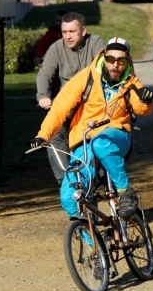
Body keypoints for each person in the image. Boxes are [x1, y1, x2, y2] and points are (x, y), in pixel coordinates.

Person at [30, 37, 153, 219]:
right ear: (104, 57)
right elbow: (59, 109)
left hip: (117, 135)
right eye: (111, 59)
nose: (115, 65)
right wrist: (43, 136)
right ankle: (94, 245)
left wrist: (146, 100)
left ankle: (126, 191)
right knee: (68, 197)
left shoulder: (131, 82)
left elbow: (141, 109)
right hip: (85, 140)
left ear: (128, 61)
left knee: (101, 143)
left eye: (121, 60)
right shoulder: (86, 77)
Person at [36, 12, 105, 185]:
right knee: (54, 135)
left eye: (72, 32)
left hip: (91, 106)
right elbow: (45, 73)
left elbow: (104, 69)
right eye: (64, 32)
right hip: (66, 105)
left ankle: (100, 175)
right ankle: (67, 182)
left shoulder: (96, 43)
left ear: (83, 31)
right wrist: (43, 95)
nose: (67, 36)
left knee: (99, 136)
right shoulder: (56, 48)